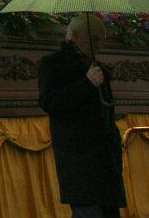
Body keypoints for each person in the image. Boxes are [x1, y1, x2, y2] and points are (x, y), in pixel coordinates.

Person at [38, 14, 126, 218]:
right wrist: (86, 84)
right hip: (79, 159)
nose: (101, 44)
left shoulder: (97, 67)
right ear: (78, 37)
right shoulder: (53, 64)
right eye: (96, 39)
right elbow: (50, 102)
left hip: (106, 160)